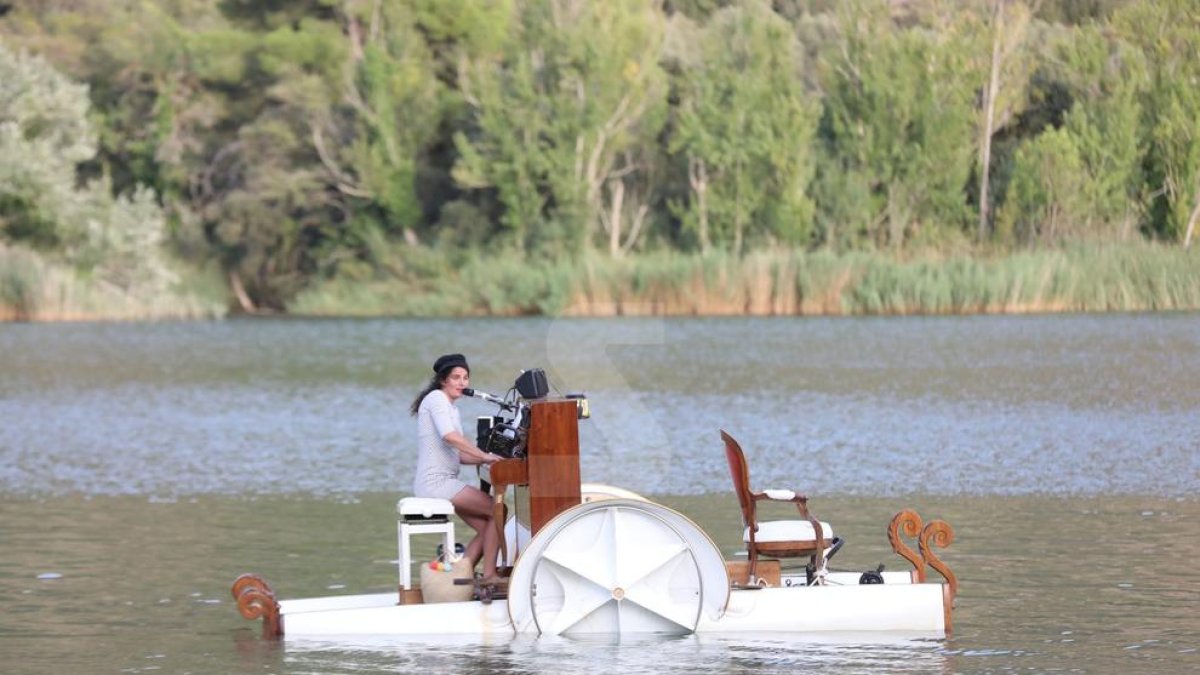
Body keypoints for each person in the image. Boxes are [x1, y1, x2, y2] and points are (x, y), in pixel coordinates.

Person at [410, 353, 502, 583]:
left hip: (445, 482)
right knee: (498, 512)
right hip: (436, 483)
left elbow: (458, 454)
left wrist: (487, 459)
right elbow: (450, 437)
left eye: (466, 378)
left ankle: (457, 577)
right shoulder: (436, 398)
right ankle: (490, 575)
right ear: (443, 380)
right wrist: (482, 455)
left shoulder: (452, 408)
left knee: (489, 525)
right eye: (456, 377)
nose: (462, 383)